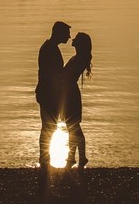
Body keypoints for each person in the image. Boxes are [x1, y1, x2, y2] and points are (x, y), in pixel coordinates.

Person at [35, 20, 70, 168]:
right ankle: (44, 159)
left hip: (46, 92)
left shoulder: (50, 47)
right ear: (59, 33)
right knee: (48, 127)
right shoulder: (50, 49)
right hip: (48, 93)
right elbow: (52, 74)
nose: (69, 37)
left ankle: (45, 158)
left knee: (49, 126)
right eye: (66, 34)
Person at [60, 31, 93, 168]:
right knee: (72, 127)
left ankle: (80, 157)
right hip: (69, 93)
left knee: (74, 128)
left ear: (79, 44)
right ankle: (73, 157)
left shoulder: (79, 59)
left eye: (76, 39)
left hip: (70, 95)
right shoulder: (78, 58)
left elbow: (67, 75)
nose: (72, 39)